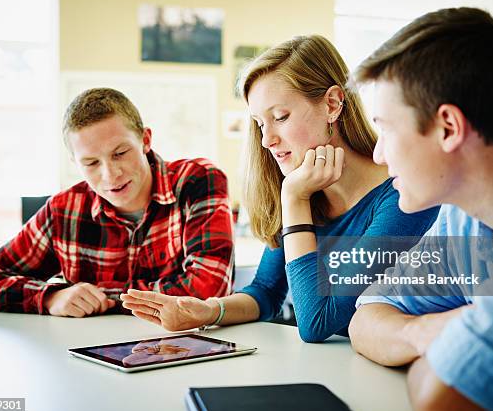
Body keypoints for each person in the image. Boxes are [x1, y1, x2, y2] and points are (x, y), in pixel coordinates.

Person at [121, 35, 439, 342]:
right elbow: (266, 292)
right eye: (261, 123)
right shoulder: (305, 186)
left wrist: (294, 199)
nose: (266, 140)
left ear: (332, 104)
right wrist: (206, 311)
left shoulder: (402, 196)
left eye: (281, 117)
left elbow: (318, 322)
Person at [347, 7, 493, 411]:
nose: (378, 154)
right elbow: (366, 318)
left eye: (386, 127)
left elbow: (443, 400)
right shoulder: (464, 216)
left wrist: (443, 351)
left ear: (448, 127)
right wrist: (427, 331)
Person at [0, 88, 234, 317]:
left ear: (145, 140)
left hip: (187, 351)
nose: (110, 174)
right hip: (92, 358)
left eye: (120, 153)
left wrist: (102, 299)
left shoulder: (198, 181)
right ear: (75, 163)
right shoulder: (64, 210)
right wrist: (50, 298)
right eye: (91, 163)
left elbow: (209, 288)